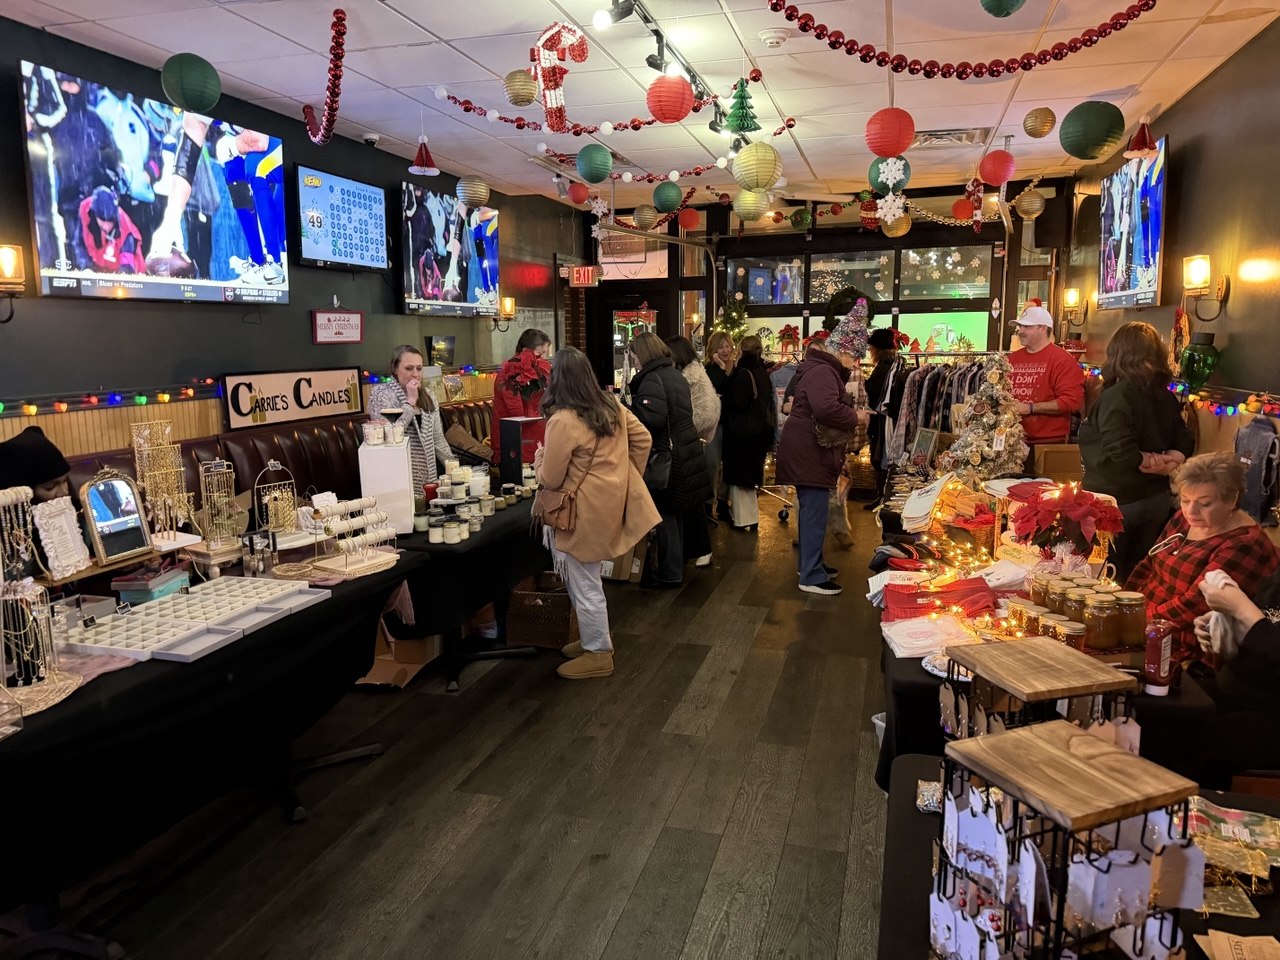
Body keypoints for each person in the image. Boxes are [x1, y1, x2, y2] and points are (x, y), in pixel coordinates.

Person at [535, 347, 660, 680]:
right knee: (585, 575)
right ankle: (593, 639)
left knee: (584, 580)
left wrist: (537, 462)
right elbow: (643, 439)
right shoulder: (610, 405)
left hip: (580, 511)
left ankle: (598, 653)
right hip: (608, 504)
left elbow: (550, 478)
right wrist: (623, 475)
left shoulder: (562, 419)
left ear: (556, 379)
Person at [1126, 452, 1279, 663]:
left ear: (1232, 499)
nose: (1191, 511)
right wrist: (1124, 601)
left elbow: (1193, 605)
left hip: (1184, 644)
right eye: (1185, 500)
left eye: (1204, 503)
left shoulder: (1245, 544)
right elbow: (1149, 563)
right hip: (1142, 622)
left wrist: (1134, 621)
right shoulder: (1183, 519)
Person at [1078, 322, 1195, 579]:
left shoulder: (1115, 396)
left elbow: (1121, 453)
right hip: (1157, 499)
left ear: (1117, 353)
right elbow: (1185, 441)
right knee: (1142, 574)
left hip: (1114, 501)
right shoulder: (1165, 395)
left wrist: (1147, 460)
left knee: (1107, 577)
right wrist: (1169, 460)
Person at [776, 336, 869, 595]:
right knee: (814, 512)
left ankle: (811, 566)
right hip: (810, 450)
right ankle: (811, 575)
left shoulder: (819, 370)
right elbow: (826, 408)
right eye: (852, 354)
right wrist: (855, 416)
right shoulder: (825, 372)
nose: (855, 360)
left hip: (806, 448)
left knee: (811, 511)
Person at [627, 332, 712, 587]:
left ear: (641, 353)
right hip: (685, 453)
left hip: (668, 458)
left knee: (664, 515)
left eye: (632, 355)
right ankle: (676, 566)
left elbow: (651, 419)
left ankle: (669, 573)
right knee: (675, 514)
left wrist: (627, 411)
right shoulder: (673, 373)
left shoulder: (652, 378)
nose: (632, 361)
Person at [1193, 571, 1280, 785]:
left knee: (1191, 737)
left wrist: (1243, 610)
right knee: (1164, 707)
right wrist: (1223, 626)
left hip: (1272, 713)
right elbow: (1267, 627)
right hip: (1244, 689)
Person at [369, 345, 454, 495]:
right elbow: (390, 435)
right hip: (397, 480)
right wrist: (410, 401)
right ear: (395, 369)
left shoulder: (429, 396)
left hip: (429, 480)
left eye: (419, 368)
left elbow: (438, 440)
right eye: (409, 368)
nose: (415, 374)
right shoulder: (381, 394)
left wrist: (455, 468)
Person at [1007, 299, 1085, 459]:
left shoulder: (1062, 360)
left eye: (1026, 326)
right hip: (1010, 441)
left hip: (1047, 444)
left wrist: (1030, 408)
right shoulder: (1012, 359)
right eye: (1020, 326)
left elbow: (1072, 402)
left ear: (1043, 328)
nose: (1020, 331)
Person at [667, 336, 719, 567]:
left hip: (690, 445)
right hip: (691, 443)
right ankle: (697, 548)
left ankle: (701, 549)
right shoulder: (692, 374)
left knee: (691, 501)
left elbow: (708, 412)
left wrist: (682, 429)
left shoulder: (691, 377)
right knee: (690, 500)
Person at [722, 335, 776, 532]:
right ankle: (750, 519)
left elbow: (736, 402)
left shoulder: (742, 373)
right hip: (759, 432)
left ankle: (742, 520)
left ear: (741, 351)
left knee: (739, 480)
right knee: (750, 478)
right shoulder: (762, 372)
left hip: (741, 434)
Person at [491, 328, 552, 464]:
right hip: (517, 444)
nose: (542, 359)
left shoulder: (537, 370)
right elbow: (517, 412)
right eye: (540, 354)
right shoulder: (510, 372)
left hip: (535, 441)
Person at [864, 327, 904, 507]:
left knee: (879, 458)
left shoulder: (883, 370)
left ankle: (882, 497)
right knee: (881, 458)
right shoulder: (895, 365)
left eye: (871, 349)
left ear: (877, 350)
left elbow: (875, 395)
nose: (870, 352)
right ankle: (882, 496)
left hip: (882, 420)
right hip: (886, 419)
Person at [78, 186, 145, 275]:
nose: (106, 226)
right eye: (102, 220)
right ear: (95, 214)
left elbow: (127, 267)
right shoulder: (85, 209)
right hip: (100, 264)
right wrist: (86, 266)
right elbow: (79, 244)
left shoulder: (126, 228)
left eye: (110, 222)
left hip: (125, 269)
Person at [704, 330, 734, 520]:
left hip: (732, 423)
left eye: (728, 345)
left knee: (729, 464)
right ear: (713, 349)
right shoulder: (709, 369)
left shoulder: (738, 367)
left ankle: (724, 502)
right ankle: (709, 504)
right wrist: (721, 368)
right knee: (712, 464)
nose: (726, 350)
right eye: (721, 346)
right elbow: (715, 392)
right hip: (715, 424)